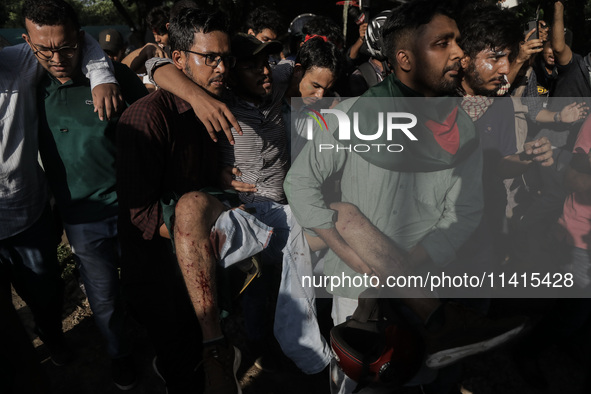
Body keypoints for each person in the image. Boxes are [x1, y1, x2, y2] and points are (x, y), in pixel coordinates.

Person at [284, 1, 527, 392]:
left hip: (425, 282)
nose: (459, 54)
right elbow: (300, 184)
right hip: (355, 289)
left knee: (415, 381)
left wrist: (392, 275)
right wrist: (350, 254)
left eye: (458, 42)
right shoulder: (349, 116)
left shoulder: (460, 131)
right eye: (442, 43)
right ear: (405, 59)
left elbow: (463, 213)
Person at [21, 0, 149, 389]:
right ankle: (119, 355)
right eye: (44, 49)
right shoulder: (29, 87)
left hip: (133, 207)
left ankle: (161, 341)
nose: (56, 58)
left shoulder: (112, 77)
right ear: (28, 43)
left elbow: (150, 128)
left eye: (66, 47)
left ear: (81, 38)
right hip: (80, 219)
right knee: (103, 296)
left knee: (146, 285)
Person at [0, 0, 120, 370]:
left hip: (27, 216)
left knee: (44, 292)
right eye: (43, 50)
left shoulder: (19, 63)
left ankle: (55, 342)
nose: (53, 57)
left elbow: (74, 43)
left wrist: (104, 78)